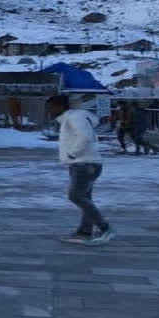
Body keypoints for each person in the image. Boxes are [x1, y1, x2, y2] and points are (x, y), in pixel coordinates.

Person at [48, 95, 114, 246]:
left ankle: (105, 228)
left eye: (51, 107)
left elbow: (85, 137)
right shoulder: (71, 117)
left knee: (76, 196)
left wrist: (73, 153)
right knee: (85, 198)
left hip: (84, 163)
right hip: (83, 163)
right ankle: (84, 231)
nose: (50, 110)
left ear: (61, 106)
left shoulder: (75, 116)